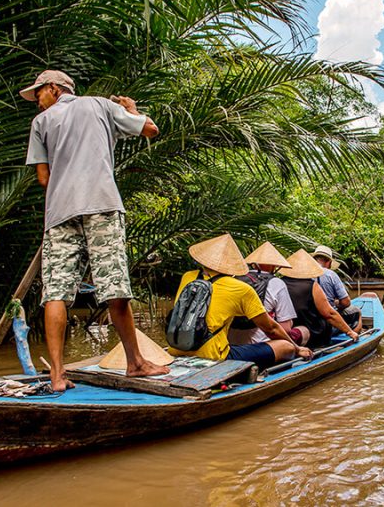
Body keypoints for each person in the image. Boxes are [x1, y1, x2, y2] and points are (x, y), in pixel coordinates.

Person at [20, 69, 168, 390]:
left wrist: (65, 189)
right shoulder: (100, 105)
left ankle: (58, 375)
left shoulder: (40, 124)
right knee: (114, 283)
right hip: (100, 203)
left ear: (55, 89)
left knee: (55, 291)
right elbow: (150, 129)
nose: (37, 102)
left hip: (59, 212)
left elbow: (43, 179)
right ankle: (136, 363)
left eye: (39, 94)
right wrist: (130, 109)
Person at [169, 234, 313, 370]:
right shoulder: (240, 288)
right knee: (285, 346)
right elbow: (271, 328)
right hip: (214, 356)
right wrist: (297, 348)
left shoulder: (188, 277)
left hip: (176, 347)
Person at [228, 242, 310, 346]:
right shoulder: (276, 283)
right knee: (303, 330)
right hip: (262, 345)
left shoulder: (234, 279)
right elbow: (286, 328)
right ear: (274, 265)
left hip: (231, 344)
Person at [280, 249, 360, 348]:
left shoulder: (279, 282)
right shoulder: (312, 285)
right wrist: (349, 332)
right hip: (314, 333)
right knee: (356, 312)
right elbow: (329, 314)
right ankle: (352, 343)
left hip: (290, 328)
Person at [311, 245, 362, 334]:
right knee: (357, 311)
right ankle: (353, 338)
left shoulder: (304, 273)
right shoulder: (330, 275)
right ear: (329, 262)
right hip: (327, 321)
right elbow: (346, 302)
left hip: (309, 319)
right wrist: (337, 304)